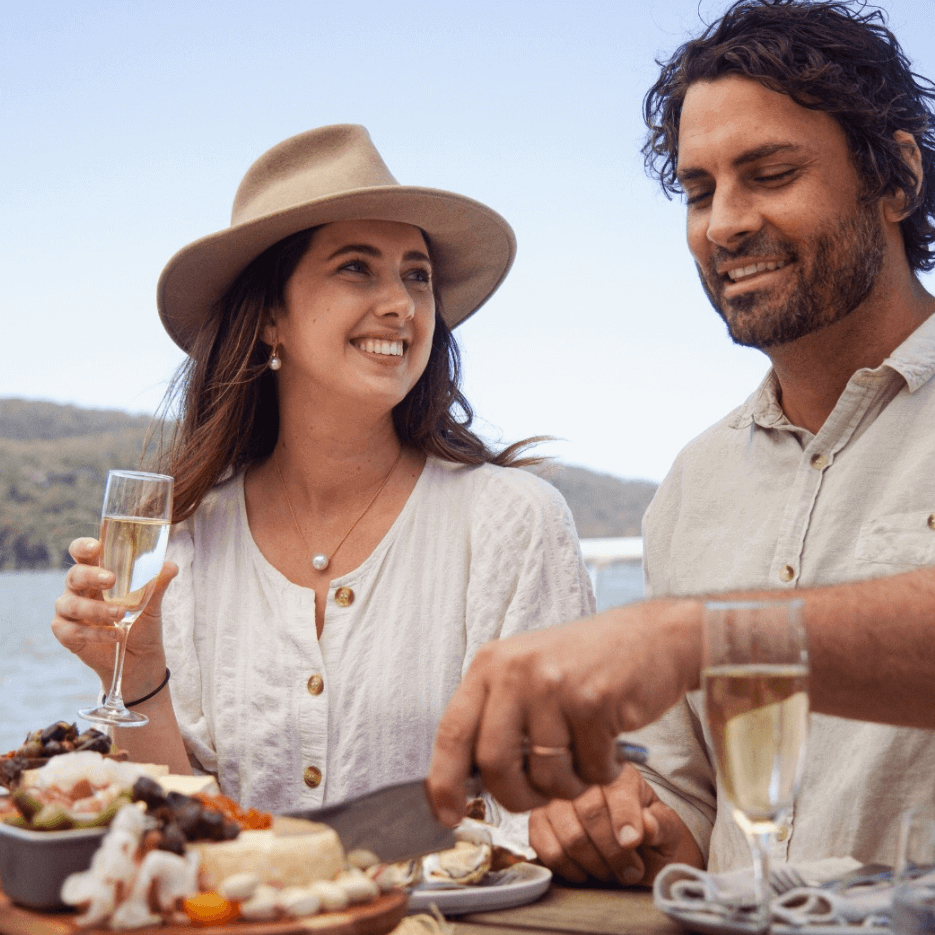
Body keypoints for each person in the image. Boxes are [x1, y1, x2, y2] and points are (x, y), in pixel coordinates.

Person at [430, 0, 935, 887]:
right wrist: (618, 822)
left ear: (895, 177)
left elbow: (696, 642)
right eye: (698, 192)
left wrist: (692, 637)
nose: (722, 224)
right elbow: (687, 815)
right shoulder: (693, 485)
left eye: (769, 173)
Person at [52, 124, 595, 819]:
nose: (401, 303)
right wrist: (137, 672)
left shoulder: (514, 523)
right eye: (356, 267)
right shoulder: (182, 543)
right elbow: (177, 831)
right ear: (271, 316)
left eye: (417, 275)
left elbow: (545, 819)